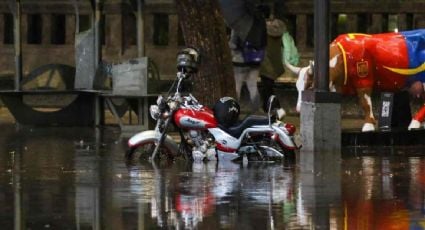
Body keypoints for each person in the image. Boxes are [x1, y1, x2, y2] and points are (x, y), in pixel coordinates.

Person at [259, 15, 287, 118]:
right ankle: (267, 109)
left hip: (265, 62)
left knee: (267, 88)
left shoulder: (262, 29)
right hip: (274, 62)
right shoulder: (278, 28)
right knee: (266, 87)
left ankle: (278, 108)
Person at [228, 29, 263, 113]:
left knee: (237, 87)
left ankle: (234, 110)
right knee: (253, 86)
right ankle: (256, 110)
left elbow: (233, 44)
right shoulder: (256, 27)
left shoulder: (237, 27)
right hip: (254, 61)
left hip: (239, 62)